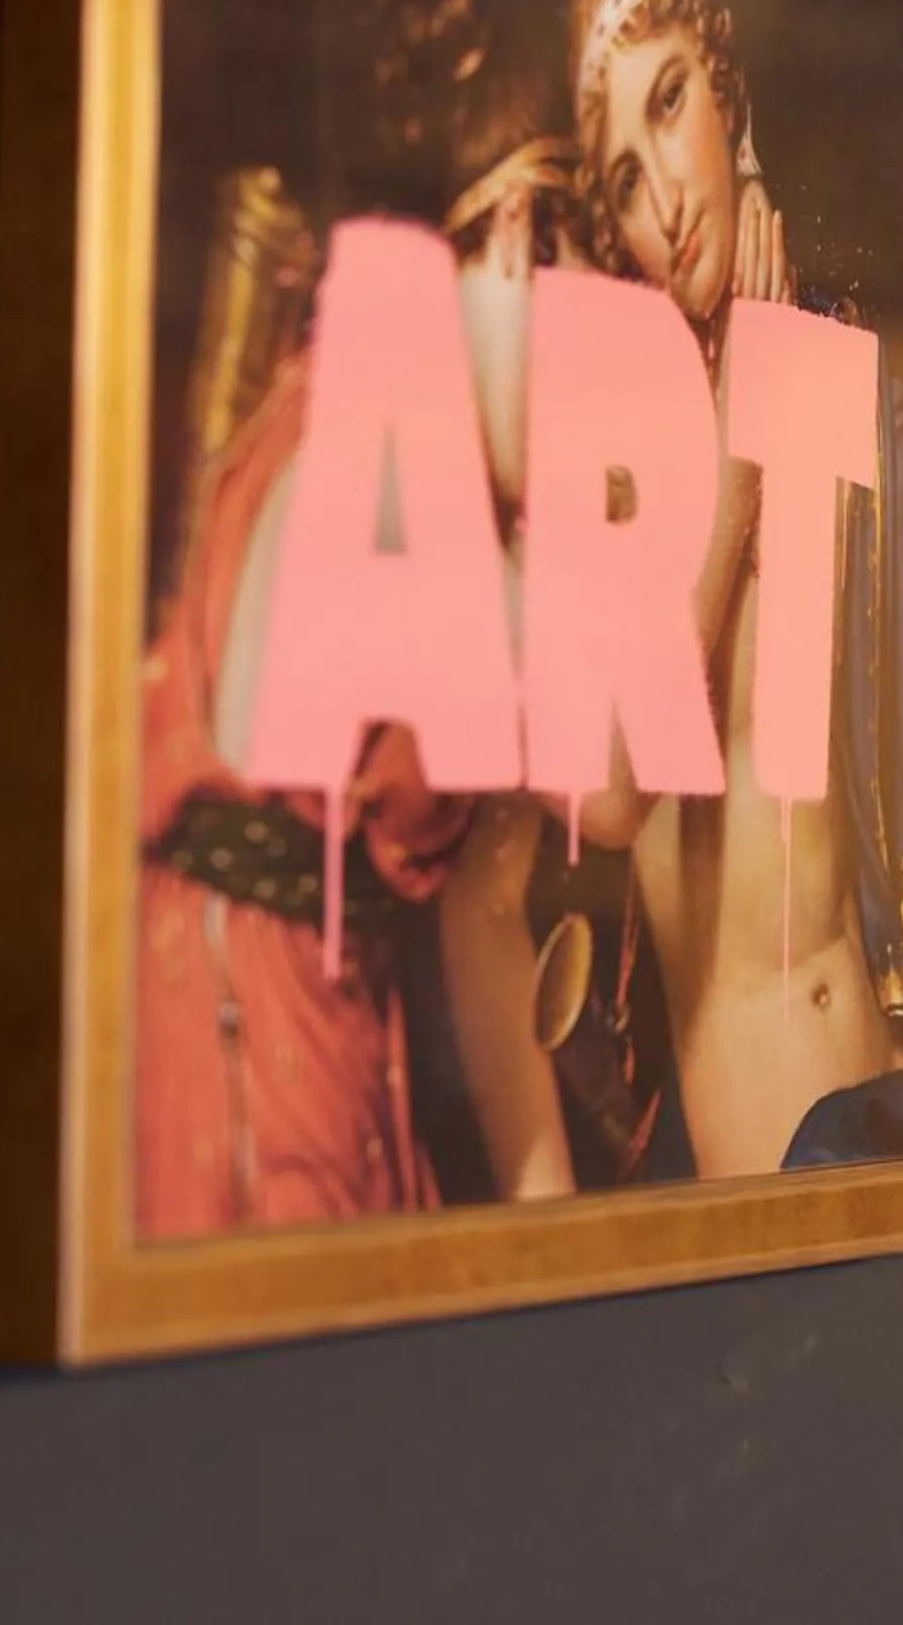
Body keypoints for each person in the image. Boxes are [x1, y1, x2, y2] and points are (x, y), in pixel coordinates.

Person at [129, 118, 583, 1238]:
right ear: (520, 240)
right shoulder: (392, 435)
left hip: (294, 1023)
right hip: (256, 1054)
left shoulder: (358, 398)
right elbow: (605, 782)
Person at [557, 0, 903, 1177]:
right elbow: (608, 791)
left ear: (728, 98)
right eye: (621, 176)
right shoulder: (616, 457)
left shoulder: (825, 364)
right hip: (773, 1145)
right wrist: (729, 466)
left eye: (671, 104)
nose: (664, 192)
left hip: (901, 1102)